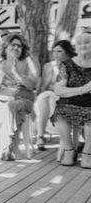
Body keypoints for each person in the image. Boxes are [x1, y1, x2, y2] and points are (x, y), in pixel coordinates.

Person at [0, 33, 39, 161]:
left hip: (23, 99)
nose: (16, 48)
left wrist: (16, 73)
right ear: (5, 47)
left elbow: (32, 85)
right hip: (2, 98)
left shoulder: (29, 62)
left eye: (19, 46)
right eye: (13, 45)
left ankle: (8, 147)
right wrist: (1, 75)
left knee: (11, 106)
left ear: (22, 49)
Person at [53, 32, 91, 168]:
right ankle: (69, 151)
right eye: (79, 43)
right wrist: (84, 88)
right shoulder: (67, 64)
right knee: (60, 113)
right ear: (75, 47)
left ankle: (87, 153)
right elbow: (58, 90)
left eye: (87, 42)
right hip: (70, 102)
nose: (83, 45)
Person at [34, 40, 75, 150]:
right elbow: (43, 88)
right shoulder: (48, 66)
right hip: (49, 95)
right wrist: (50, 75)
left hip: (66, 96)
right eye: (54, 51)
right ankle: (40, 136)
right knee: (45, 97)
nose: (55, 54)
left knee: (47, 98)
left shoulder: (73, 65)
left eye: (59, 51)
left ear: (67, 52)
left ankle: (41, 136)